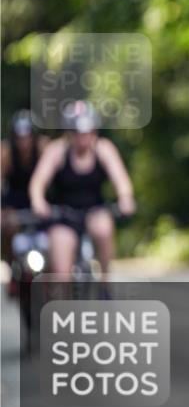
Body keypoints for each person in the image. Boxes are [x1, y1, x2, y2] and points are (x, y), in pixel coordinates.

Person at [28, 101, 135, 282]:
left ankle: (104, 283)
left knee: (104, 229)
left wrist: (125, 198)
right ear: (69, 133)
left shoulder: (104, 149)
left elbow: (121, 180)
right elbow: (38, 182)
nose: (83, 138)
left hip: (95, 210)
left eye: (88, 132)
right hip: (63, 215)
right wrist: (38, 202)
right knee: (61, 271)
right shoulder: (57, 151)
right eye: (77, 133)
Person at [1, 110, 49, 272]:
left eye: (27, 136)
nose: (24, 141)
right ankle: (12, 266)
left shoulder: (44, 149)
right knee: (7, 228)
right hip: (15, 205)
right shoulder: (6, 153)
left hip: (42, 203)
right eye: (20, 137)